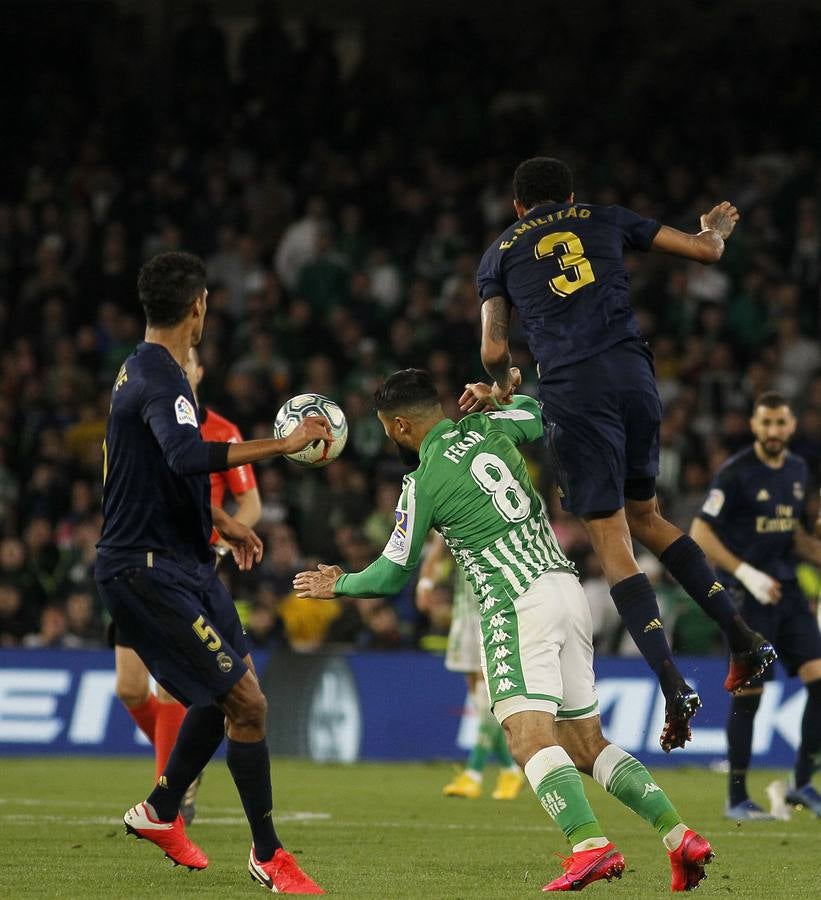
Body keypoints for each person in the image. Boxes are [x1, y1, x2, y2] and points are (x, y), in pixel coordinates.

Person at [295, 369, 713, 892]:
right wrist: (498, 395)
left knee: (526, 737)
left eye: (385, 428)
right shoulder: (491, 427)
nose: (387, 437)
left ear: (401, 425)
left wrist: (341, 584)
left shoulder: (421, 480)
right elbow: (540, 416)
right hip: (567, 588)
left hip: (515, 602)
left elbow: (393, 571)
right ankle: (679, 837)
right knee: (585, 744)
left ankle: (590, 846)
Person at [470, 156, 774, 751]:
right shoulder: (605, 218)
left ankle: (672, 682)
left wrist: (503, 383)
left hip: (574, 391)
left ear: (516, 205)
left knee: (613, 542)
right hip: (634, 376)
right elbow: (705, 251)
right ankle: (743, 638)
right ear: (571, 195)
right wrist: (714, 228)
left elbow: (492, 346)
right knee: (649, 518)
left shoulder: (500, 253)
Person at [95, 251, 332, 894]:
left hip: (183, 561)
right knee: (245, 701)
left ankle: (161, 811)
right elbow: (185, 453)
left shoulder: (140, 370)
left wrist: (221, 522)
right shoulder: (163, 378)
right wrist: (282, 445)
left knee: (230, 690)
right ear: (198, 305)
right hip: (147, 570)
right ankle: (268, 854)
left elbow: (156, 470)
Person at [112, 345, 262, 825]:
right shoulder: (146, 416)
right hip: (139, 556)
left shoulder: (221, 431)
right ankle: (174, 780)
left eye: (192, 360)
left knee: (172, 688)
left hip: (188, 567)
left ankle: (172, 794)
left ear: (199, 370)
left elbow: (251, 504)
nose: (185, 366)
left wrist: (218, 543)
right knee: (130, 688)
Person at [690, 391, 821, 820]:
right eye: (765, 423)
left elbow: (793, 535)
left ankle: (802, 783)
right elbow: (701, 533)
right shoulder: (735, 473)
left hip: (789, 593)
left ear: (791, 426)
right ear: (753, 425)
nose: (773, 431)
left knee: (819, 679)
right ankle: (737, 798)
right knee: (751, 694)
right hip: (748, 597)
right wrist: (746, 573)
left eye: (780, 423)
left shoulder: (799, 470)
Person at [416, 532, 524, 801]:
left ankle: (473, 773)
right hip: (465, 614)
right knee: (480, 700)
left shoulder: (505, 513)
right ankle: (510, 770)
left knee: (488, 695)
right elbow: (437, 551)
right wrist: (426, 584)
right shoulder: (456, 516)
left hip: (497, 612)